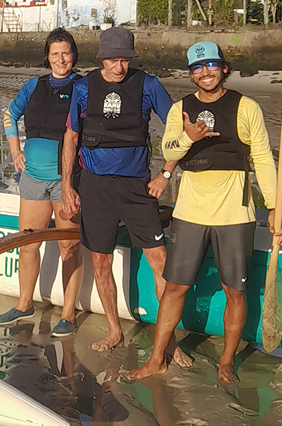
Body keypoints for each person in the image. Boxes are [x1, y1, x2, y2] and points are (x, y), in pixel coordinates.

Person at [125, 41, 282, 384]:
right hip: (191, 213)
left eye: (211, 65)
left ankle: (226, 362)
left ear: (224, 68)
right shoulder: (181, 109)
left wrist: (273, 206)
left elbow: (263, 159)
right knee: (174, 288)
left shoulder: (246, 107)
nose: (205, 72)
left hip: (235, 215)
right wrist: (188, 137)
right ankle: (156, 359)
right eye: (197, 68)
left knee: (235, 291)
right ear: (191, 74)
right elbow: (167, 148)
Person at [60, 27, 187, 364]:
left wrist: (166, 173)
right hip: (95, 187)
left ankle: (167, 341)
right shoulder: (84, 87)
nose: (120, 67)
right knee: (100, 261)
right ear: (102, 58)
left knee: (159, 261)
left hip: (136, 187)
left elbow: (179, 130)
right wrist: (67, 186)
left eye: (125, 60)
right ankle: (114, 330)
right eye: (114, 60)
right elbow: (72, 137)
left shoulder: (148, 85)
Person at [0, 28, 84, 337]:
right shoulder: (34, 86)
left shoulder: (83, 87)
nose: (61, 59)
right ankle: (24, 304)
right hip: (33, 178)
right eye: (55, 54)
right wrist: (15, 150)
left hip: (66, 182)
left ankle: (69, 313)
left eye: (66, 53)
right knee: (27, 245)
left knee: (69, 247)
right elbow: (9, 116)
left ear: (74, 55)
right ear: (47, 57)